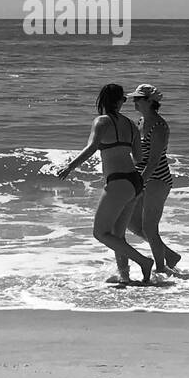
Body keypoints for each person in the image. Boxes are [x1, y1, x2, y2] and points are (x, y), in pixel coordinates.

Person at [56, 83, 154, 284]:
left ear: (102, 101)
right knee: (118, 235)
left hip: (117, 182)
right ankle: (124, 277)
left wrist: (69, 167)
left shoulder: (101, 121)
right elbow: (138, 158)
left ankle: (144, 262)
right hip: (135, 182)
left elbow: (91, 148)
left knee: (100, 233)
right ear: (121, 101)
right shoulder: (131, 125)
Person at [121, 83, 182, 276]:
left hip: (157, 178)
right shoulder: (140, 122)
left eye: (138, 99)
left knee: (149, 226)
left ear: (149, 101)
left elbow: (154, 161)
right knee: (131, 223)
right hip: (141, 176)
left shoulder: (158, 126)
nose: (134, 102)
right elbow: (138, 155)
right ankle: (170, 256)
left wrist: (140, 181)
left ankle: (161, 267)